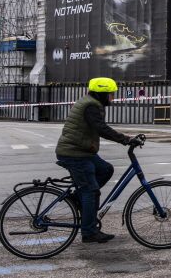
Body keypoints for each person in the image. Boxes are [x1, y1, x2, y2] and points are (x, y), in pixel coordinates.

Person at [54, 77, 142, 243]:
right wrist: (125, 139)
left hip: (82, 151)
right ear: (101, 94)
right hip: (75, 153)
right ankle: (89, 232)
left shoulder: (91, 103)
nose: (112, 98)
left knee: (105, 170)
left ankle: (80, 199)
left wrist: (124, 139)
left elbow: (99, 129)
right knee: (91, 191)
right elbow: (101, 128)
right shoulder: (92, 106)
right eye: (110, 94)